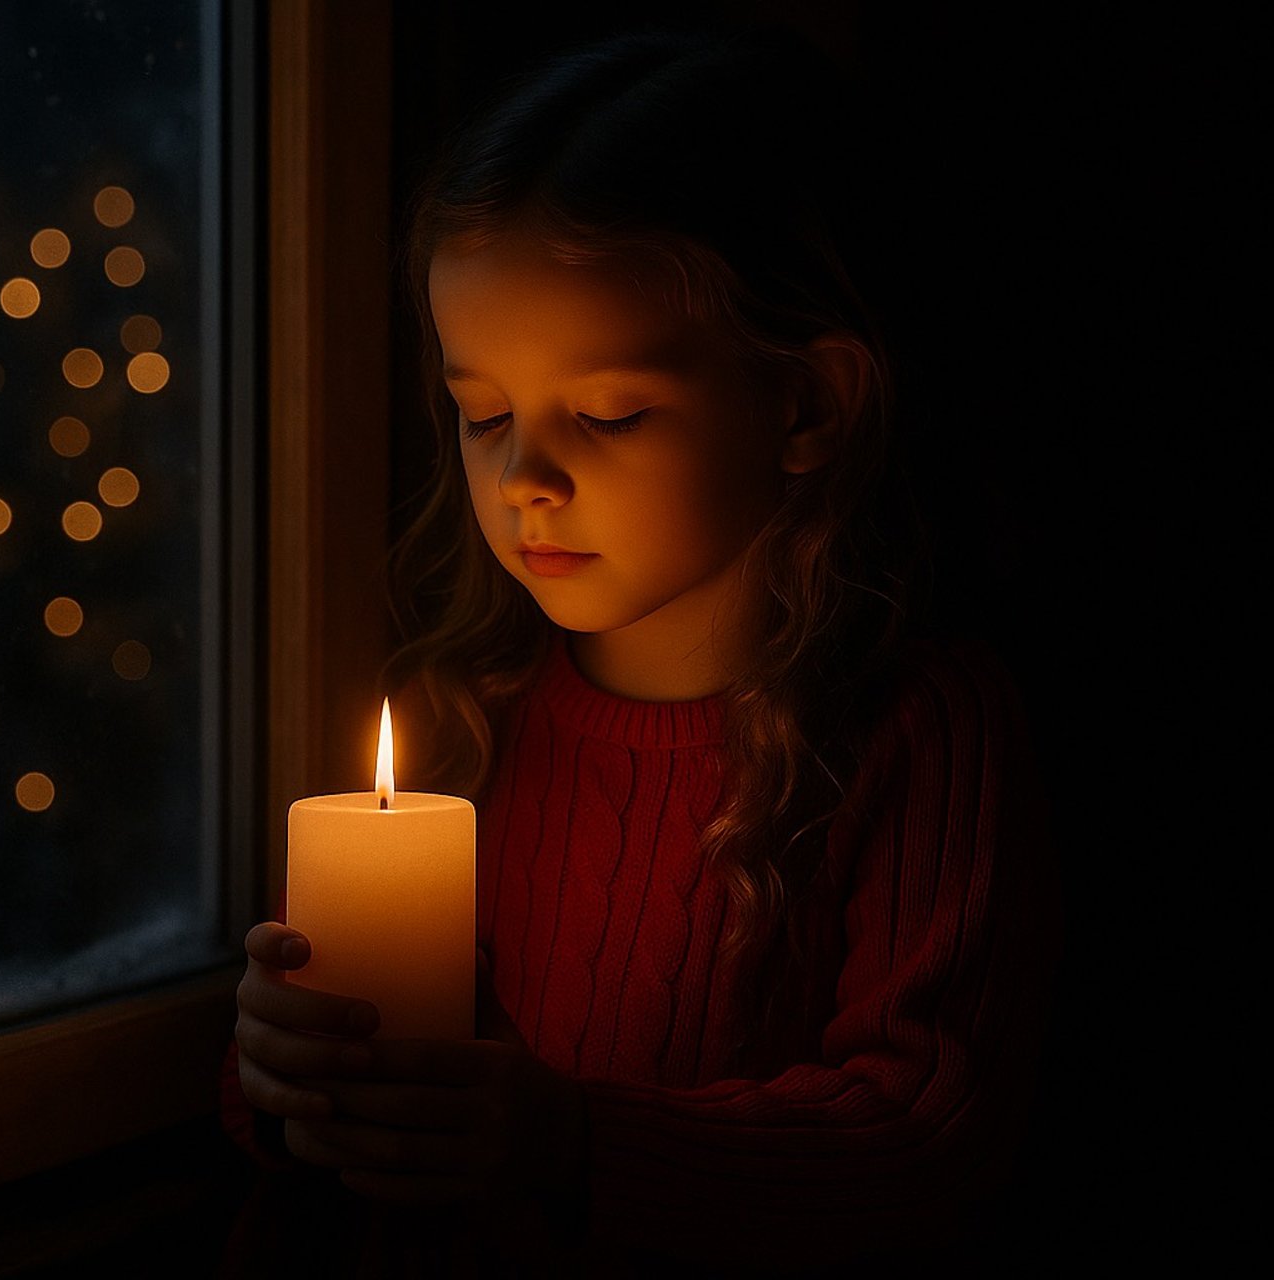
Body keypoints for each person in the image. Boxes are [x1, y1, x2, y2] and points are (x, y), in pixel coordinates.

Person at [221, 24, 1060, 1278]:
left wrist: (573, 1143)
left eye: (607, 413)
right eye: (483, 412)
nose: (524, 478)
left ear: (805, 405)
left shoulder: (916, 730)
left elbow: (925, 1138)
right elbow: (333, 1095)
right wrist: (279, 1067)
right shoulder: (467, 720)